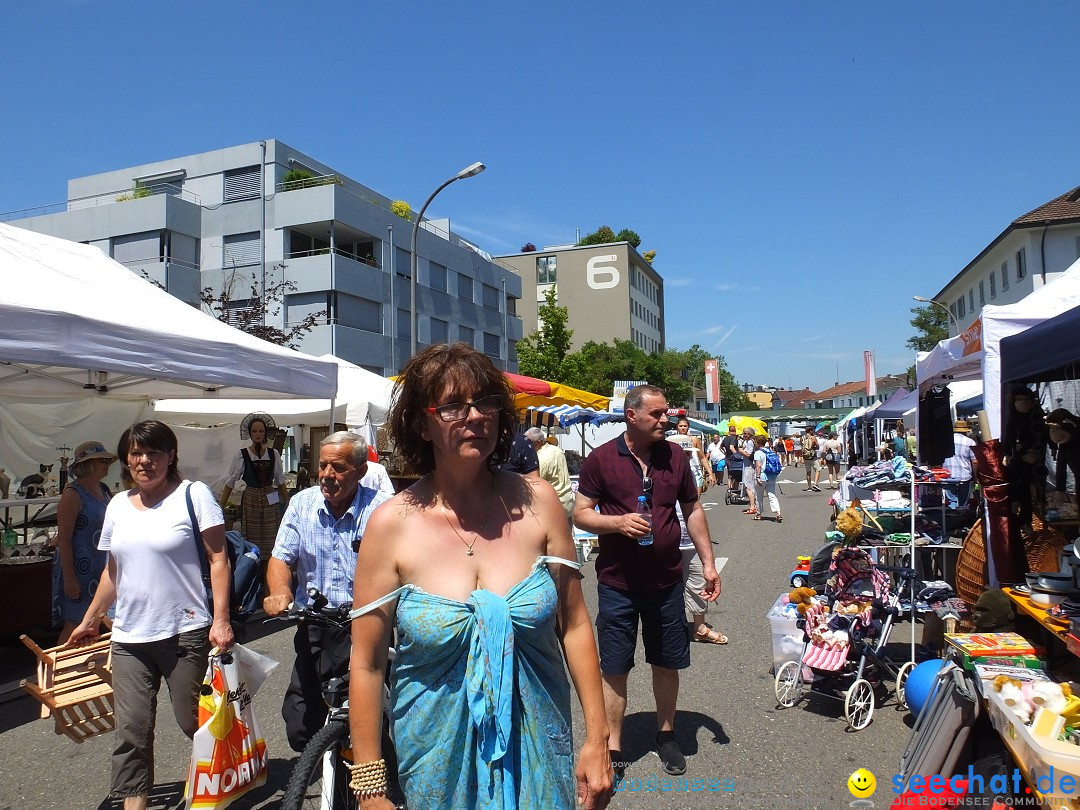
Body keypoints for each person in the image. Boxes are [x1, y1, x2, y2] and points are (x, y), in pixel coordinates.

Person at [348, 342, 612, 809]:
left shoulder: (539, 501)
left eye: (485, 402)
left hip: (541, 747)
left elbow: (573, 626)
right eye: (453, 405)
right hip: (434, 758)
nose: (475, 416)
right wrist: (369, 787)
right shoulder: (391, 525)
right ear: (421, 424)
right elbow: (368, 664)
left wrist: (597, 739)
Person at [68, 421, 234, 810]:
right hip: (129, 637)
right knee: (131, 734)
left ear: (170, 456)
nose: (145, 461)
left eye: (154, 453)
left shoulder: (194, 495)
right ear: (127, 459)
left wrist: (221, 619)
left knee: (195, 722)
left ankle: (219, 786)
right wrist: (92, 618)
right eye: (136, 453)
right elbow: (113, 571)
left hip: (184, 631)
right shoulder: (117, 504)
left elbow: (218, 558)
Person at [574, 384, 720, 779]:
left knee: (666, 661)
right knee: (616, 665)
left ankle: (666, 734)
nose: (665, 420)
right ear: (631, 415)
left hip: (667, 580)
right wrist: (617, 522)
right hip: (618, 583)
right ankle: (613, 743)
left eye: (666, 413)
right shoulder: (601, 460)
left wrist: (707, 562)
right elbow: (580, 514)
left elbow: (692, 509)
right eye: (656, 414)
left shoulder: (675, 456)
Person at [264, 430, 390, 752]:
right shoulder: (301, 504)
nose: (327, 475)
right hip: (315, 622)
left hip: (366, 624)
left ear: (361, 471)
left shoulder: (382, 511)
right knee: (300, 726)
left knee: (374, 721)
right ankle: (321, 765)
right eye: (322, 466)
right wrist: (280, 591)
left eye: (338, 468)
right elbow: (281, 558)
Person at [51, 440, 116, 644]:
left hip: (99, 567)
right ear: (87, 464)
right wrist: (70, 578)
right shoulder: (73, 494)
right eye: (101, 460)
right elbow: (64, 538)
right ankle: (59, 670)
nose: (107, 464)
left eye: (107, 460)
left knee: (97, 619)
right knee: (74, 623)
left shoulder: (104, 489)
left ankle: (85, 668)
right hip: (78, 568)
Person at [218, 412, 289, 580]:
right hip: (251, 498)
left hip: (270, 497)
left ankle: (270, 578)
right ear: (250, 434)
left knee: (272, 539)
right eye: (255, 431)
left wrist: (288, 502)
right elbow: (231, 481)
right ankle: (254, 580)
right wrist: (220, 504)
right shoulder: (242, 454)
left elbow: (280, 480)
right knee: (253, 540)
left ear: (265, 433)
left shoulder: (274, 454)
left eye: (261, 431)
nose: (258, 435)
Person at [678, 501, 725, 644]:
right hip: (663, 539)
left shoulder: (684, 478)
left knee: (698, 581)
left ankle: (700, 629)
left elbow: (695, 505)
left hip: (692, 540)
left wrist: (709, 563)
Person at [526, 427, 575, 518]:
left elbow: (536, 484)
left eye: (529, 443)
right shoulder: (557, 450)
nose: (527, 446)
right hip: (567, 501)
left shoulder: (540, 459)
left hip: (554, 505)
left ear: (538, 442)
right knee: (568, 531)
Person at [669, 417, 715, 494]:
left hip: (695, 472)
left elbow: (702, 458)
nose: (683, 428)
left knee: (696, 500)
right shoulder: (672, 440)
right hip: (678, 473)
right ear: (677, 427)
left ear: (688, 427)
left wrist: (710, 473)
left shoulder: (694, 440)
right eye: (681, 426)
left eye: (685, 426)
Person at [942, 419, 978, 509]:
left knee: (951, 501)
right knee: (963, 502)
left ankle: (952, 517)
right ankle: (961, 518)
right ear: (965, 431)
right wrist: (976, 476)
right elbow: (975, 461)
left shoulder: (945, 440)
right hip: (964, 476)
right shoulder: (970, 442)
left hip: (947, 475)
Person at [751, 435, 783, 523]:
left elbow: (758, 466)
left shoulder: (758, 453)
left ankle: (758, 514)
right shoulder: (770, 451)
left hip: (762, 476)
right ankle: (778, 513)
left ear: (757, 443)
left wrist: (757, 477)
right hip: (772, 476)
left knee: (759, 496)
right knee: (772, 495)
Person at [740, 427, 760, 513]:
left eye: (745, 433)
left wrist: (741, 451)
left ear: (749, 434)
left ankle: (752, 506)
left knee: (748, 486)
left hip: (749, 467)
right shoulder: (751, 442)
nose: (744, 435)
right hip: (751, 466)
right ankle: (754, 505)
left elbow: (750, 455)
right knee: (752, 486)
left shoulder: (750, 442)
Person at [720, 425, 743, 491]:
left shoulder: (726, 438)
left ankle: (729, 489)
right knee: (736, 474)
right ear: (735, 430)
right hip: (733, 459)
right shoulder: (733, 438)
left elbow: (720, 447)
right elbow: (731, 447)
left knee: (729, 474)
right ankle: (734, 489)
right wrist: (737, 455)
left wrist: (725, 453)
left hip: (727, 458)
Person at [802, 426, 821, 492]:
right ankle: (815, 483)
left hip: (805, 456)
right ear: (810, 431)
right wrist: (814, 447)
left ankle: (809, 486)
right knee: (817, 470)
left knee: (808, 472)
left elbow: (801, 445)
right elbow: (817, 446)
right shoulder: (813, 438)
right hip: (813, 456)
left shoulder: (802, 438)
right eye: (812, 430)